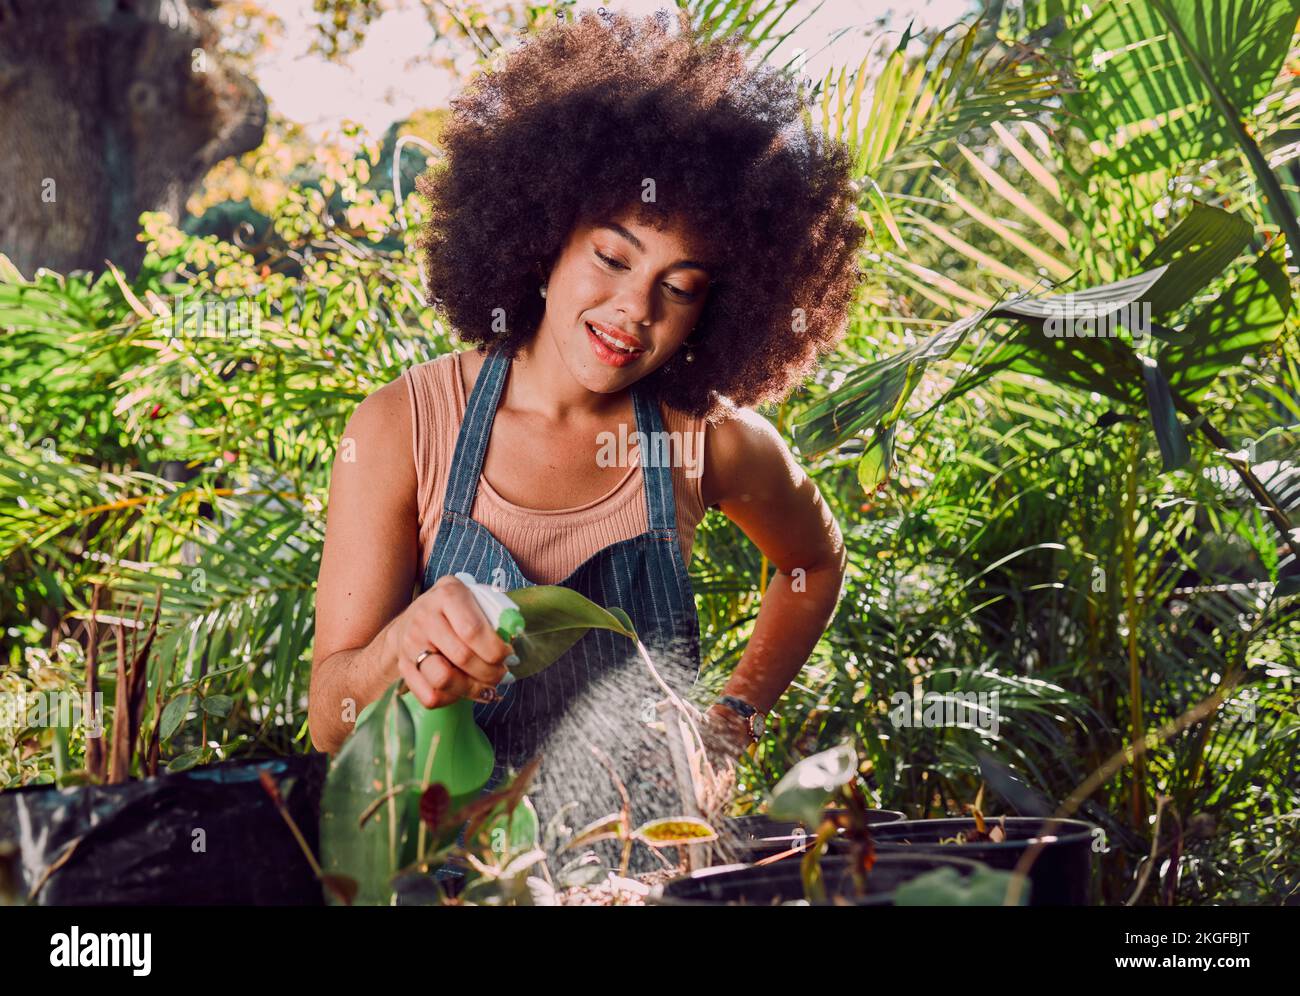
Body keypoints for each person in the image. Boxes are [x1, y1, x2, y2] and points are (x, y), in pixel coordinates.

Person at [308, 8, 865, 880]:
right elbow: (334, 717)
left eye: (676, 288)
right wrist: (401, 650)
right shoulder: (401, 428)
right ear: (542, 240)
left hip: (646, 879)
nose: (633, 312)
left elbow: (813, 565)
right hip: (459, 885)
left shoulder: (706, 443)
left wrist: (730, 725)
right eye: (611, 258)